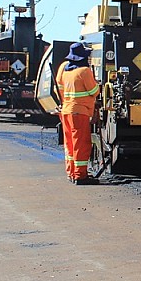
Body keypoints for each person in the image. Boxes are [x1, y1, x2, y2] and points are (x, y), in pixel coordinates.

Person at [54, 42, 100, 185]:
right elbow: (94, 91)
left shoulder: (64, 69)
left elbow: (59, 88)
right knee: (81, 143)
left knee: (70, 144)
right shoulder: (84, 71)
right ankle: (80, 175)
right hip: (79, 112)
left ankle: (71, 172)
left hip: (66, 111)